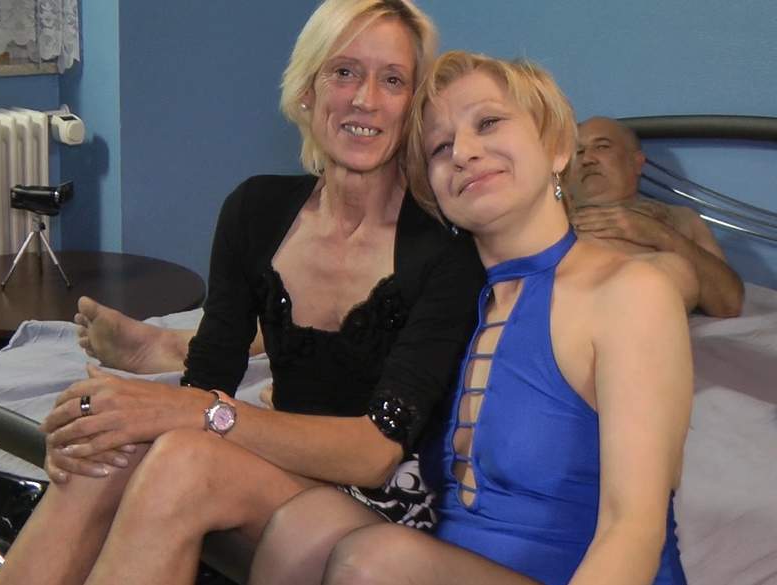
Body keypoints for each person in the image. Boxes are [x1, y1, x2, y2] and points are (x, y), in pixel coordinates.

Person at [0, 2, 486, 584]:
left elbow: (377, 453)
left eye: (393, 80)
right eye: (344, 71)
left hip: (387, 503)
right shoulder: (255, 211)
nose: (366, 99)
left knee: (185, 461)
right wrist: (104, 422)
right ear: (307, 90)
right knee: (108, 448)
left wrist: (194, 411)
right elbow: (209, 384)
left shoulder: (446, 249)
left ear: (413, 106)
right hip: (282, 471)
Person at [247, 52, 692, 585]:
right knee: (305, 522)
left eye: (488, 122)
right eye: (440, 147)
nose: (463, 152)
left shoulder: (630, 293)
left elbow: (634, 531)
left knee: (377, 561)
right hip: (454, 564)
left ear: (556, 147)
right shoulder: (448, 304)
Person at [564, 116, 744, 317]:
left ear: (637, 162)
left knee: (673, 271)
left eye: (602, 147)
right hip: (562, 307)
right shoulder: (551, 218)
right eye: (578, 152)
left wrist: (660, 234)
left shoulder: (682, 219)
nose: (587, 159)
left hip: (628, 314)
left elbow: (729, 304)